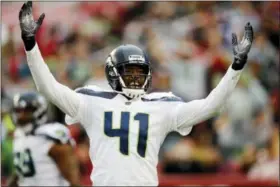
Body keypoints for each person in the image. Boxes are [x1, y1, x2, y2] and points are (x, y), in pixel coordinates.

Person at [18, 1, 254, 185]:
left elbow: (211, 106)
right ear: (113, 73)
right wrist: (31, 45)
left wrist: (236, 67)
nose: (135, 77)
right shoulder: (91, 102)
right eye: (129, 71)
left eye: (139, 72)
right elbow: (48, 87)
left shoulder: (162, 105)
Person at [6, 92, 80, 187]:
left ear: (40, 111)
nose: (21, 116)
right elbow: (22, 172)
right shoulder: (18, 135)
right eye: (18, 111)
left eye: (26, 111)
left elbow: (72, 178)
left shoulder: (50, 136)